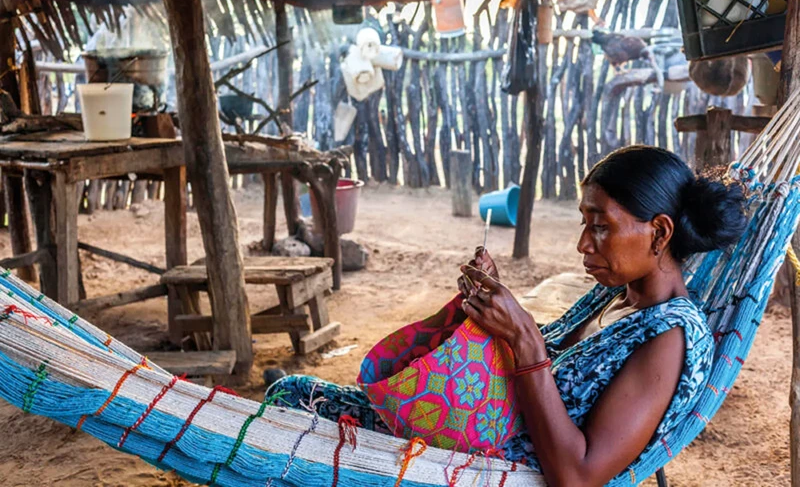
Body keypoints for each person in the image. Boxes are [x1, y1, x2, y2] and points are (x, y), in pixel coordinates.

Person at [267, 146, 747, 486]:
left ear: (659, 232)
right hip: (467, 432)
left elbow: (578, 476)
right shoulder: (615, 296)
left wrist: (524, 340)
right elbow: (551, 363)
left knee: (291, 404)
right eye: (584, 223)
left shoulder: (669, 340)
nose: (583, 243)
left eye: (600, 226)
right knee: (293, 395)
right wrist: (501, 306)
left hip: (486, 469)